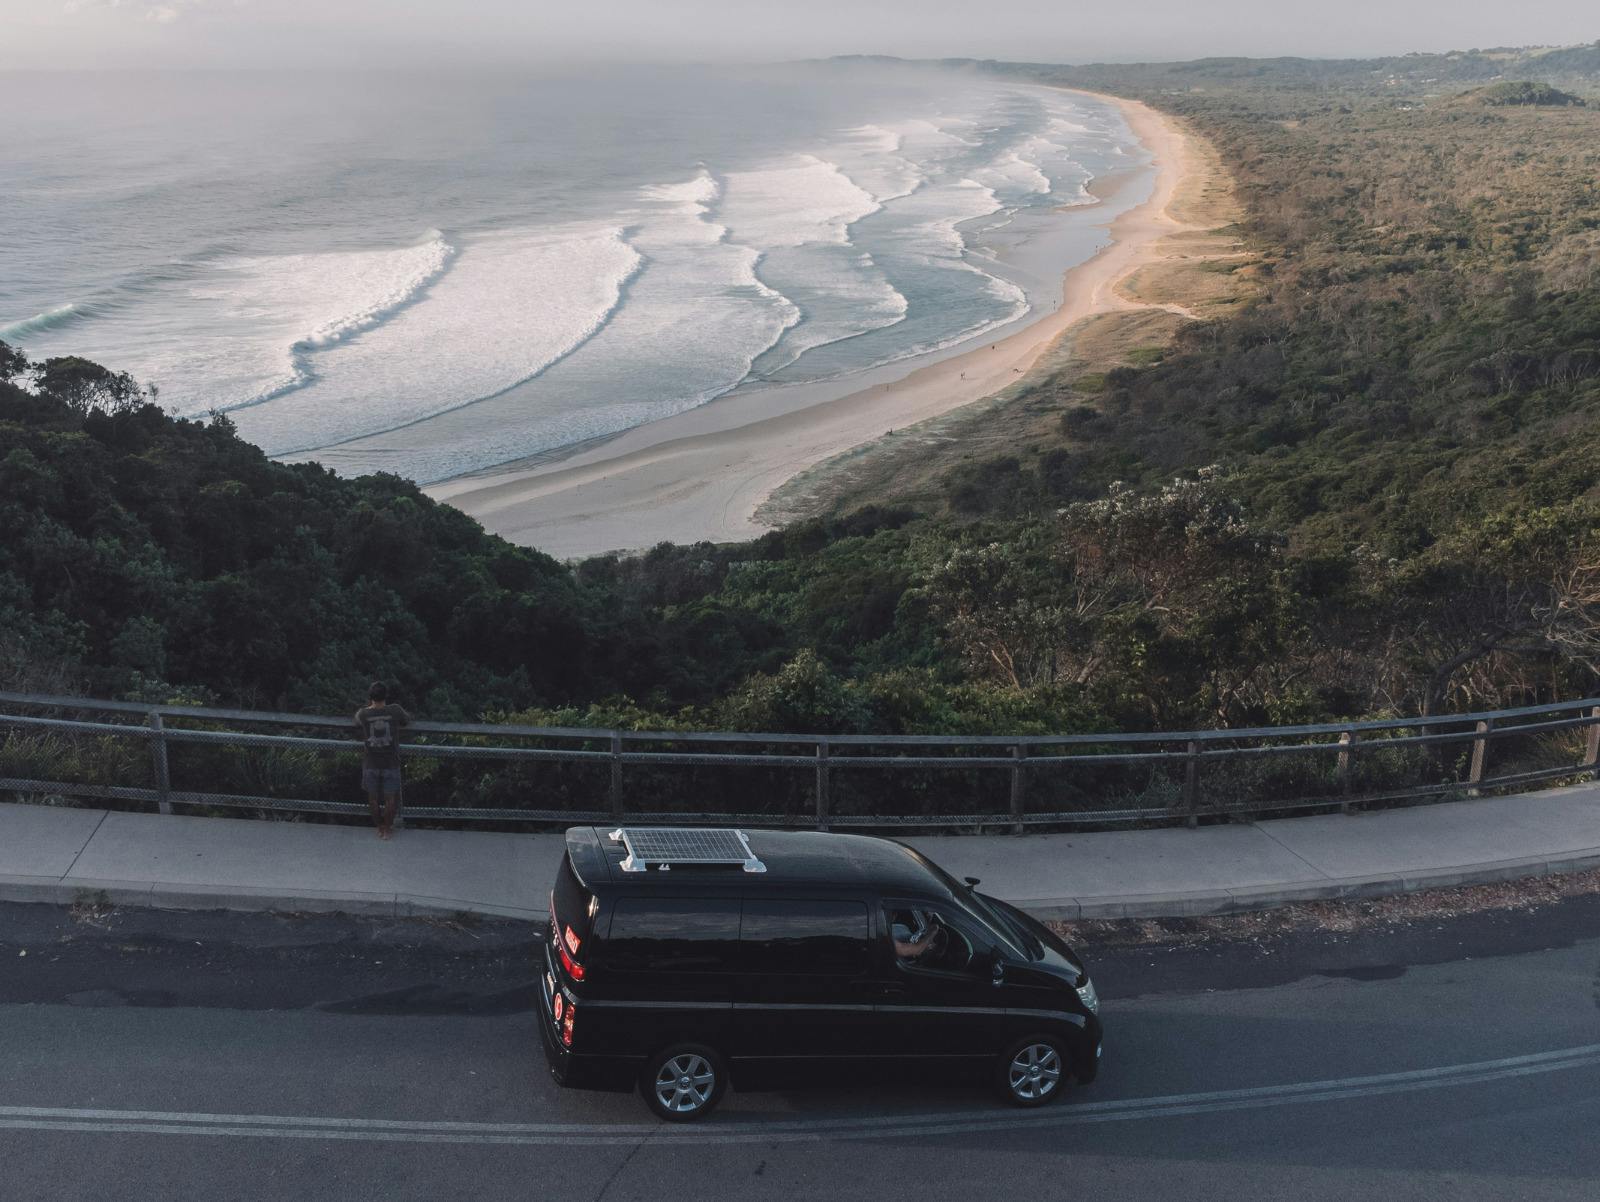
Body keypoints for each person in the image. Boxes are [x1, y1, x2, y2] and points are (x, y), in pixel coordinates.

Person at [355, 681, 410, 840]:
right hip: (391, 762)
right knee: (390, 799)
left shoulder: (363, 713)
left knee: (372, 799)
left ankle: (379, 827)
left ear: (370, 697)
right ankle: (387, 828)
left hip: (371, 763)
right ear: (386, 696)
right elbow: (406, 720)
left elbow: (356, 720)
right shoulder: (395, 710)